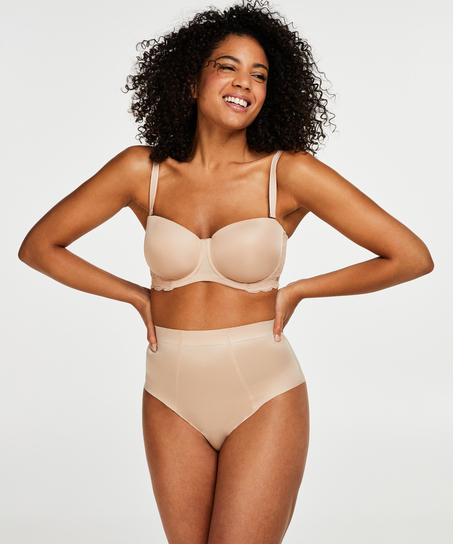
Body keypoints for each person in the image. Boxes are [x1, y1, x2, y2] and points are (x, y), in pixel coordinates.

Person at [18, 1, 434, 542]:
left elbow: (411, 256)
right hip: (168, 392)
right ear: (191, 81)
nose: (245, 83)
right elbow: (39, 247)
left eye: (259, 74)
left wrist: (301, 290)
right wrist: (136, 296)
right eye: (228, 66)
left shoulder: (289, 173)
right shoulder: (141, 171)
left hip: (263, 390)